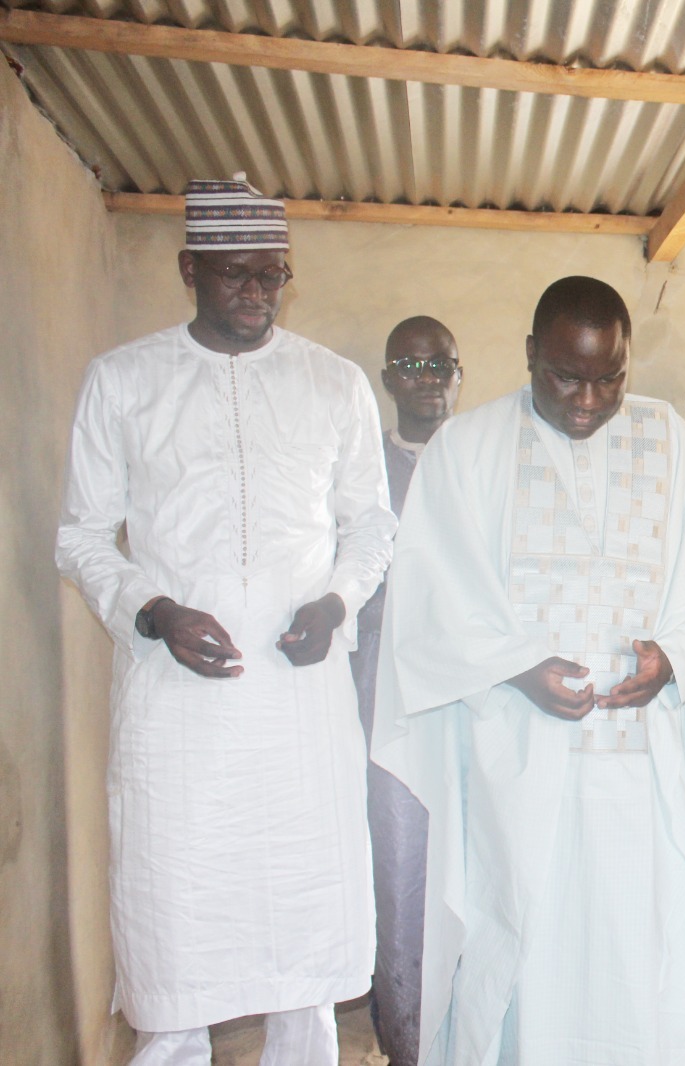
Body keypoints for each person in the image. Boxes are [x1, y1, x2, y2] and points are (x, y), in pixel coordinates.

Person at [55, 175, 396, 1065]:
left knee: (303, 951)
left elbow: (371, 525)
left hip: (298, 707)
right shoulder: (124, 381)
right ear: (188, 270)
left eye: (271, 273)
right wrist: (154, 610)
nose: (256, 291)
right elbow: (81, 535)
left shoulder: (333, 383)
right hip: (178, 714)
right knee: (178, 932)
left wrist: (337, 601)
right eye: (233, 273)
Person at [372, 276, 685, 1065]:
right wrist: (516, 668)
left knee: (641, 948)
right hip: (517, 758)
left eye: (610, 378)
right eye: (567, 378)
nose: (588, 400)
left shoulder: (669, 442)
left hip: (643, 770)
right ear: (530, 355)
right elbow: (427, 602)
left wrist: (671, 660)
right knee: (527, 943)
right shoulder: (467, 449)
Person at [351, 316, 463, 1066]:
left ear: (460, 375)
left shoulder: (484, 459)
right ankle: (408, 1042)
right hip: (383, 697)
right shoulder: (362, 467)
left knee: (474, 869)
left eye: (441, 364)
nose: (429, 378)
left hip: (478, 700)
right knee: (399, 867)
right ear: (388, 378)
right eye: (413, 365)